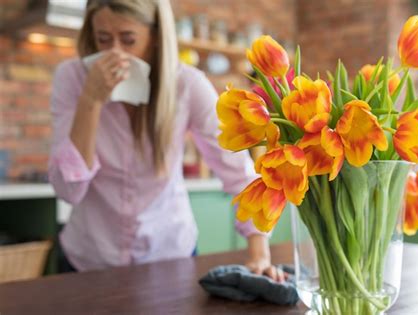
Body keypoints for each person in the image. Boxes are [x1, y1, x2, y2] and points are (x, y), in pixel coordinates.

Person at [48, 0, 284, 281]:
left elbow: (238, 172)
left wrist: (259, 254)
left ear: (157, 37)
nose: (114, 53)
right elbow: (69, 190)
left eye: (128, 40)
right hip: (88, 260)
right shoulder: (72, 78)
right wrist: (91, 99)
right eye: (103, 39)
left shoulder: (187, 84)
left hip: (169, 258)